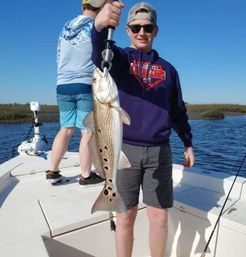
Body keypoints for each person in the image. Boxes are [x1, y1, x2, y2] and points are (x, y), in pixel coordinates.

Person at [92, 1, 195, 257]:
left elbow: (177, 109)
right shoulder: (120, 59)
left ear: (155, 30)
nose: (141, 32)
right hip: (123, 149)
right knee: (125, 218)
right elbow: (98, 53)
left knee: (159, 218)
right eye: (136, 27)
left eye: (147, 27)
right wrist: (98, 26)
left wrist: (188, 142)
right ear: (127, 30)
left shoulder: (169, 70)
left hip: (159, 152)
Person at [46, 0, 107, 185]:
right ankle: (86, 175)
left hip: (63, 84)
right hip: (84, 84)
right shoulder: (98, 27)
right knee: (87, 132)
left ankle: (53, 171)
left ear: (83, 6)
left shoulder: (66, 26)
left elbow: (58, 55)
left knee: (65, 129)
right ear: (102, 8)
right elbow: (103, 57)